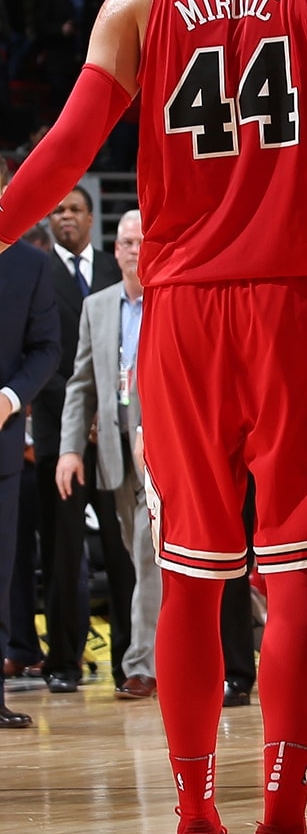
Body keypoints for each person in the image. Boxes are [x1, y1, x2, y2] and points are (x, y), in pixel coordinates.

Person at [0, 0, 307, 834]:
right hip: (300, 304)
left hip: (176, 314)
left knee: (190, 572)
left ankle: (196, 829)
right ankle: (281, 832)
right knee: (301, 568)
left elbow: (66, 149)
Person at [56, 210, 161, 700]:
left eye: (140, 241)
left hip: (160, 449)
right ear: (113, 249)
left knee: (146, 553)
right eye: (124, 242)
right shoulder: (96, 307)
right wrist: (70, 450)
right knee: (140, 558)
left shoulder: (170, 299)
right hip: (113, 453)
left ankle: (143, 665)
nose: (132, 250)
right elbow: (80, 385)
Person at [31, 188, 122, 692]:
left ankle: (132, 660)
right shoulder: (37, 272)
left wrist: (104, 409)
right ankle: (63, 661)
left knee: (123, 547)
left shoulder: (115, 268)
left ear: (91, 217)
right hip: (57, 434)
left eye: (73, 210)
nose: (64, 217)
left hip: (115, 429)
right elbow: (39, 355)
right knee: (63, 553)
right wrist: (78, 413)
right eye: (57, 209)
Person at [0, 158, 59, 729]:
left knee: (1, 568)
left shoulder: (30, 266)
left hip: (2, 441)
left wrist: (10, 398)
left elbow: (45, 348)